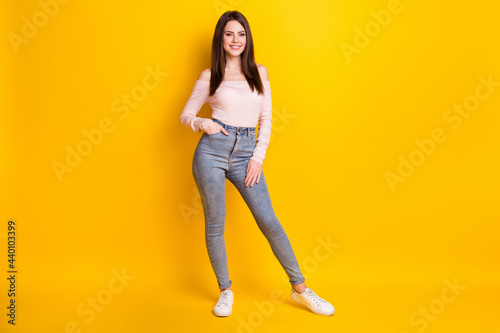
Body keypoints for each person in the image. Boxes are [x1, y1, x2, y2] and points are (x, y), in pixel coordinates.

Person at [180, 10, 335, 317]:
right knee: (215, 223)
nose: (235, 40)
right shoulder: (209, 76)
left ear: (247, 39)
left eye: (241, 34)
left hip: (246, 152)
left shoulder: (259, 72)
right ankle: (226, 291)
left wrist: (257, 157)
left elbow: (266, 118)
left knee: (269, 221)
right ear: (220, 39)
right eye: (229, 34)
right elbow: (185, 115)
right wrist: (203, 124)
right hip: (211, 151)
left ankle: (300, 289)